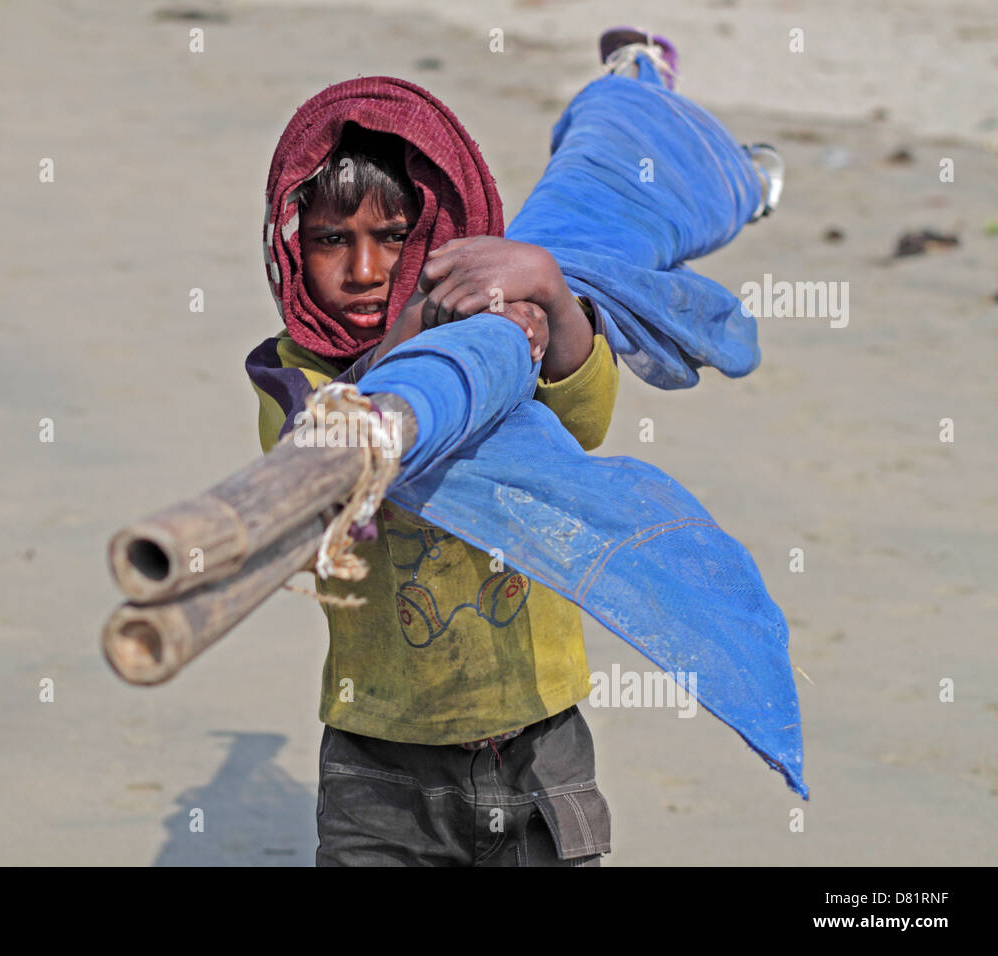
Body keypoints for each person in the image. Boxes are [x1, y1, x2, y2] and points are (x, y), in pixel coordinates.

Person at [245, 29, 781, 866]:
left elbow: (585, 418)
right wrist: (419, 340)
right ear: (289, 244)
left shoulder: (495, 329)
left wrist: (549, 295)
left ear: (432, 234)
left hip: (534, 735)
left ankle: (682, 126)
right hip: (376, 748)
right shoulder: (297, 377)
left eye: (392, 237)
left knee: (604, 212)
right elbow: (309, 467)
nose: (362, 268)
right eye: (330, 240)